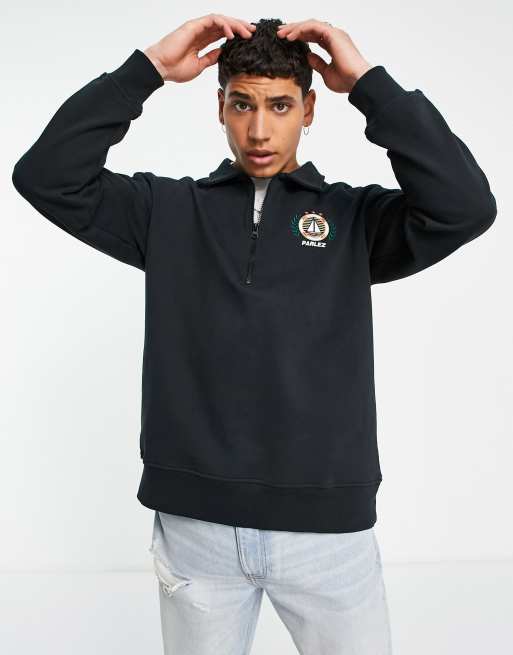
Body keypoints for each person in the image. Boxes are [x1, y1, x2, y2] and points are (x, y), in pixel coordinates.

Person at [11, 14, 496, 655]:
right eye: (242, 104)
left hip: (328, 533)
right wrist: (146, 70)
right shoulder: (168, 212)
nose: (259, 129)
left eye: (280, 106)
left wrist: (368, 84)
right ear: (220, 107)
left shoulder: (354, 219)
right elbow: (46, 175)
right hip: (198, 531)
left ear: (309, 110)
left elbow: (466, 205)